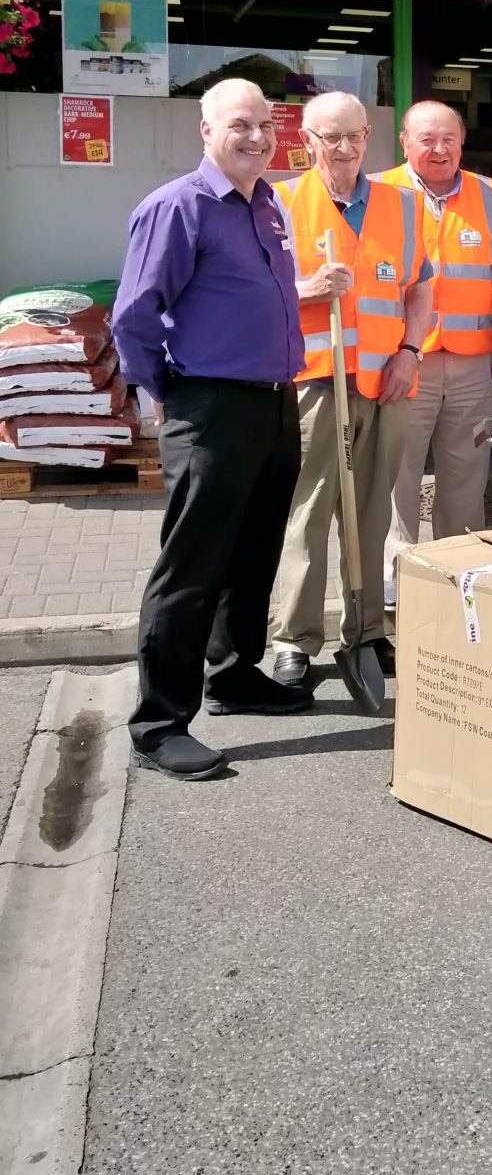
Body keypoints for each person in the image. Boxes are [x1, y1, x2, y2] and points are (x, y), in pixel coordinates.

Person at [112, 80, 309, 781]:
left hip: (274, 401)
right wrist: (168, 393)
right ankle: (159, 722)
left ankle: (234, 674)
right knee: (192, 567)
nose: (257, 137)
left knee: (254, 553)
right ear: (205, 130)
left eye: (264, 124)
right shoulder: (177, 208)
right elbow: (134, 316)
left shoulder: (267, 205)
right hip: (211, 407)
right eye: (239, 124)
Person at [270, 91, 432, 691]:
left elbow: (419, 289)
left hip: (385, 382)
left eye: (353, 137)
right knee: (309, 512)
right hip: (316, 382)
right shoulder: (280, 202)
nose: (342, 149)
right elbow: (257, 290)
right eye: (329, 138)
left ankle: (365, 629)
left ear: (369, 137)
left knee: (370, 511)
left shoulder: (403, 206)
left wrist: (410, 355)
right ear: (307, 140)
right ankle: (294, 638)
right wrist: (307, 288)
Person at [380, 102, 492, 585]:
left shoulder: (490, 197)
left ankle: (457, 583)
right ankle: (396, 589)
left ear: (462, 142)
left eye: (449, 139)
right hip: (399, 363)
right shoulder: (379, 193)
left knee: (466, 480)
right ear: (404, 142)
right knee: (395, 479)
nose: (439, 150)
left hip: (471, 364)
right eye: (426, 139)